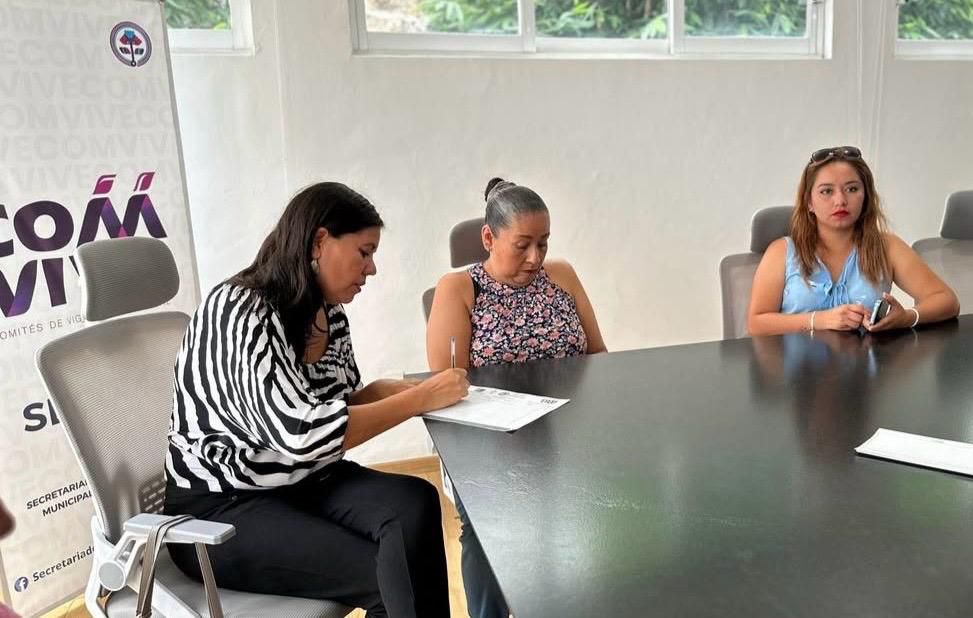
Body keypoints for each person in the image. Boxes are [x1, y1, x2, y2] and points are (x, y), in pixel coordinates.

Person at [163, 182, 468, 618]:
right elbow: (304, 434)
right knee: (392, 577)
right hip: (225, 506)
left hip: (300, 481)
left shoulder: (328, 313)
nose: (372, 268)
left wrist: (393, 392)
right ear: (319, 241)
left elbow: (335, 407)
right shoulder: (239, 311)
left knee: (414, 502)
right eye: (364, 252)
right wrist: (419, 399)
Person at [425, 177, 607, 618]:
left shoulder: (561, 276)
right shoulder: (459, 288)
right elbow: (446, 383)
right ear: (488, 238)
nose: (535, 258)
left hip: (566, 427)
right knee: (483, 528)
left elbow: (598, 355)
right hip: (488, 439)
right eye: (522, 245)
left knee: (588, 511)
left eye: (543, 243)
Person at [748, 146, 959, 336]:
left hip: (868, 364)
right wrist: (819, 320)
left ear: (865, 197)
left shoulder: (887, 247)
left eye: (852, 189)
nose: (840, 200)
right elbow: (757, 323)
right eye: (826, 191)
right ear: (809, 202)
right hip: (798, 366)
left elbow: (946, 300)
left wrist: (907, 317)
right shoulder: (781, 251)